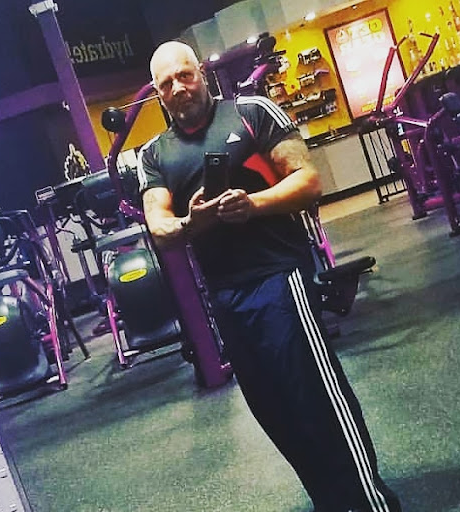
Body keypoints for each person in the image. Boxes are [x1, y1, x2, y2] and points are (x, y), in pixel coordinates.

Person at [137, 40, 402, 512]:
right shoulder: (155, 154)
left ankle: (371, 503)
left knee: (316, 398)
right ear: (158, 94)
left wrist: (253, 204)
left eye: (185, 75)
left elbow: (308, 180)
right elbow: (159, 226)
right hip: (225, 295)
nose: (178, 88)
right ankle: (332, 502)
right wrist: (191, 224)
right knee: (274, 410)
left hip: (280, 277)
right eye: (167, 84)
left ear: (202, 74)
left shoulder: (250, 112)